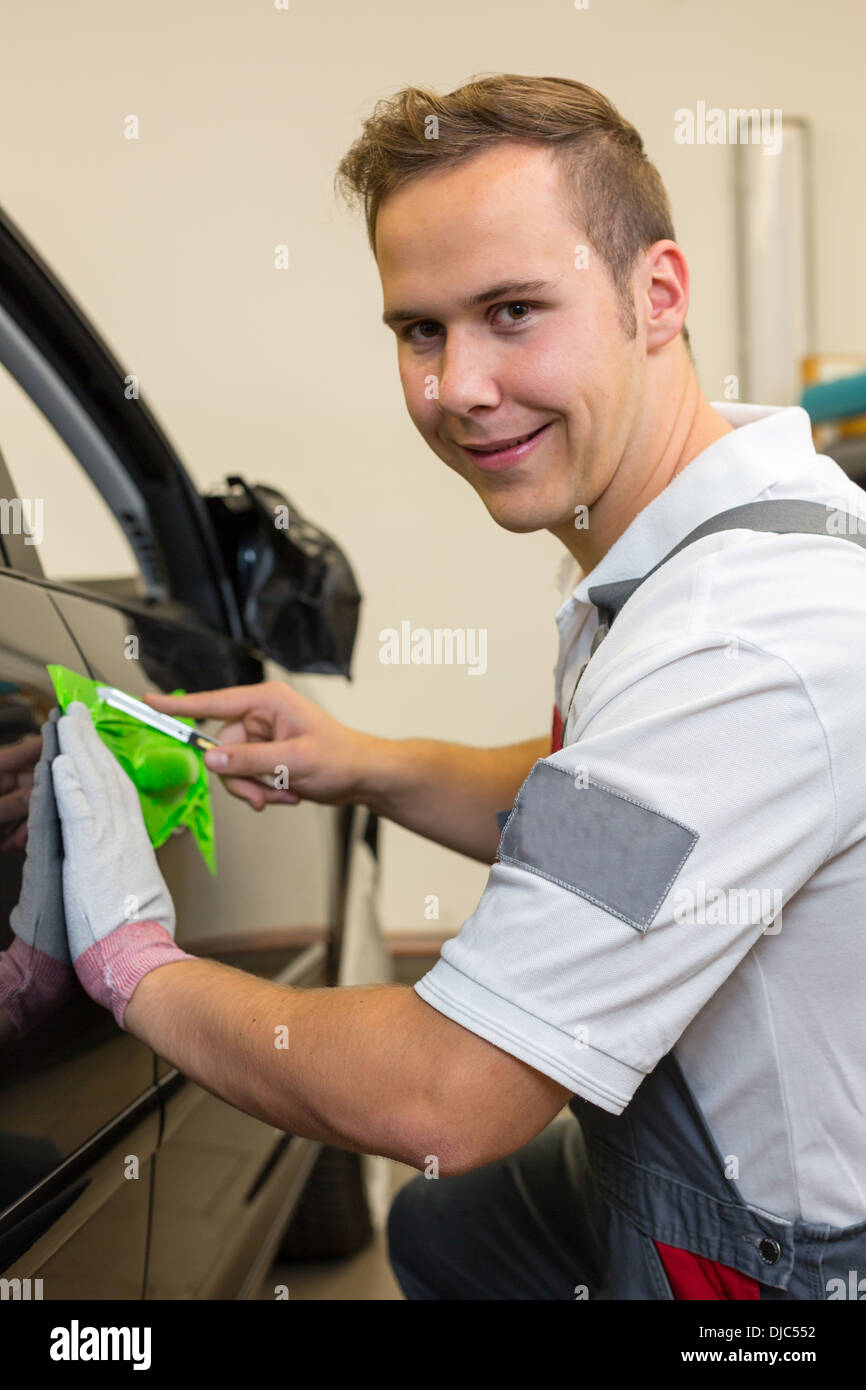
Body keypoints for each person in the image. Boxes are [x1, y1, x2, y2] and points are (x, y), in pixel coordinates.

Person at [36, 75, 866, 1299]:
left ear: (658, 295)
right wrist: (364, 761)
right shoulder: (703, 538)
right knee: (445, 1232)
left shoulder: (738, 640)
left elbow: (449, 1093)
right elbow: (616, 834)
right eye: (418, 330)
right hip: (700, 1170)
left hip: (788, 1266)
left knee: (452, 1178)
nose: (456, 388)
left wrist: (132, 966)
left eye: (512, 311)